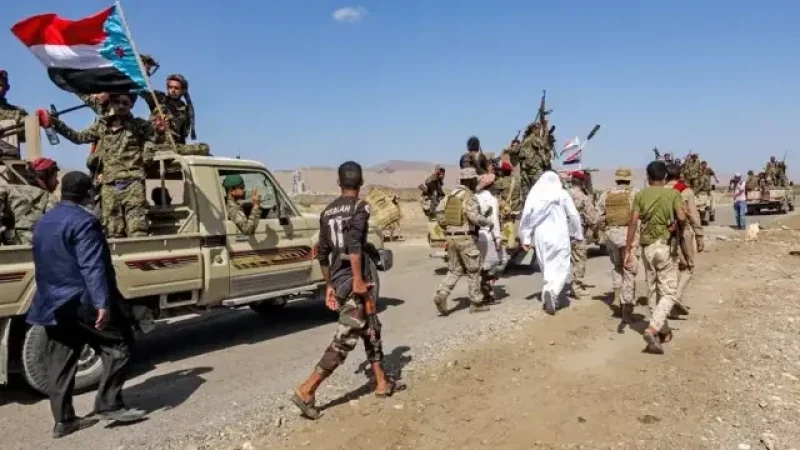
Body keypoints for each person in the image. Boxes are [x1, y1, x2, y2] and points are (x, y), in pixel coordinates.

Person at [27, 171, 145, 439]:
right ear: (87, 193)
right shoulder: (84, 221)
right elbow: (92, 264)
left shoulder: (45, 220)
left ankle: (63, 420)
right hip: (81, 299)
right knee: (119, 345)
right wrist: (102, 303)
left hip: (52, 301)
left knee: (61, 358)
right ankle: (109, 405)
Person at [291, 161, 400, 420]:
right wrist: (358, 280)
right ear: (361, 183)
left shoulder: (327, 212)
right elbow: (353, 243)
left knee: (371, 327)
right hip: (354, 281)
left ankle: (381, 382)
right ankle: (307, 390)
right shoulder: (361, 207)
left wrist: (329, 285)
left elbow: (322, 253)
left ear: (338, 183)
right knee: (345, 338)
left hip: (340, 280)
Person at [40, 93, 167, 238]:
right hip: (109, 187)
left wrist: (159, 132)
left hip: (133, 184)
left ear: (131, 105)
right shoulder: (102, 126)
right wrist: (55, 123)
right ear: (111, 103)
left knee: (138, 231)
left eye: (125, 103)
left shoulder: (140, 125)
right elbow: (78, 137)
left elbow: (154, 141)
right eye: (117, 102)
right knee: (112, 233)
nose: (121, 106)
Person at [624, 161, 686, 354]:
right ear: (665, 177)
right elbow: (682, 217)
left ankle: (663, 330)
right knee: (668, 293)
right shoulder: (673, 194)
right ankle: (652, 329)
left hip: (647, 248)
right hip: (665, 247)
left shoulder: (640, 195)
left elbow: (633, 222)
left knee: (652, 291)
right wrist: (677, 228)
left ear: (648, 177)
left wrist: (628, 249)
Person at [519, 171, 583, 315]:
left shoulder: (534, 195)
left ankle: (547, 293)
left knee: (547, 267)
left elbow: (526, 216)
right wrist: (578, 234)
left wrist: (526, 238)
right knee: (562, 267)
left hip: (541, 236)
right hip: (559, 235)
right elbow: (573, 215)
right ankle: (553, 292)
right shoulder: (562, 194)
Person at [432, 167, 493, 315]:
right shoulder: (469, 196)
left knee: (455, 270)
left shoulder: (450, 195)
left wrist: (448, 228)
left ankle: (442, 294)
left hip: (451, 237)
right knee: (474, 269)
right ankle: (476, 302)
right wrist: (488, 222)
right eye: (474, 180)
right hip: (466, 238)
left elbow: (439, 213)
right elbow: (474, 217)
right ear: (470, 181)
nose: (476, 183)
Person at [595, 167, 638, 331]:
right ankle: (627, 309)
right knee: (629, 271)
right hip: (628, 235)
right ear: (629, 179)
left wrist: (604, 229)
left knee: (617, 267)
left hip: (611, 234)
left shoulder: (606, 194)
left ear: (616, 179)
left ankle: (618, 297)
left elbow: (598, 217)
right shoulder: (634, 193)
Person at [665, 163, 704, 316]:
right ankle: (676, 296)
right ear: (680, 175)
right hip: (683, 231)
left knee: (668, 267)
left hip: (664, 232)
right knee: (688, 267)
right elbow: (693, 215)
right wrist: (699, 235)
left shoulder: (660, 190)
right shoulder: (685, 191)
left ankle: (666, 302)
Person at [0, 158, 60, 245]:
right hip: (33, 249)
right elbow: (54, 230)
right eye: (55, 177)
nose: (57, 182)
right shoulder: (50, 198)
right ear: (44, 176)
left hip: (7, 248)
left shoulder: (8, 189)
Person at [566, 170, 598, 299]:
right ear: (582, 182)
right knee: (579, 260)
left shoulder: (564, 194)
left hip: (562, 233)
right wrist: (595, 228)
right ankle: (577, 288)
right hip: (578, 233)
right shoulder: (583, 197)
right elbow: (592, 218)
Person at [140, 73, 196, 144]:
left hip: (172, 144)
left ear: (183, 90)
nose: (173, 90)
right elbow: (140, 90)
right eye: (170, 87)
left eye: (176, 88)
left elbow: (183, 135)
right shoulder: (158, 98)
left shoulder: (185, 110)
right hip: (154, 141)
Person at [475, 173, 502, 303]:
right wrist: (498, 240)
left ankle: (479, 293)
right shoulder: (492, 200)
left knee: (478, 267)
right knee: (494, 266)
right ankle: (488, 293)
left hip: (474, 236)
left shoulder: (474, 198)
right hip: (488, 235)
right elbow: (494, 220)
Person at [0, 70, 28, 153]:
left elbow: (29, 134)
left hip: (8, 158)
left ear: (7, 88)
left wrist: (37, 120)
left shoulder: (17, 112)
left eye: (0, 85)